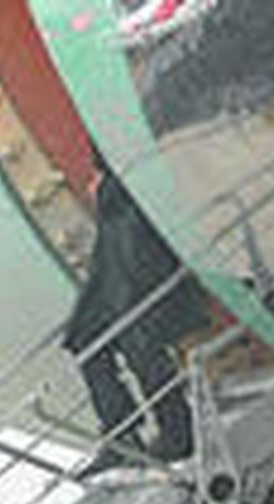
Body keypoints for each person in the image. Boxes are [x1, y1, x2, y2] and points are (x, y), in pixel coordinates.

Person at [63, 152, 206, 475]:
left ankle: (177, 430)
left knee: (139, 341)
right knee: (84, 339)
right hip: (115, 257)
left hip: (139, 254)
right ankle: (121, 435)